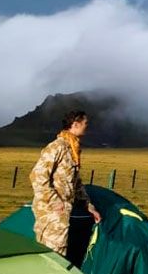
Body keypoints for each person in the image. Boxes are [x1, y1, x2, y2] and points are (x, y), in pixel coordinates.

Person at [29, 110, 100, 257]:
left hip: (63, 213)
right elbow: (37, 176)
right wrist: (55, 201)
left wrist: (88, 206)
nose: (86, 127)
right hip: (50, 212)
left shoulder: (72, 149)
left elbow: (75, 183)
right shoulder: (57, 147)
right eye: (85, 123)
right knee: (52, 255)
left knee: (59, 254)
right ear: (75, 124)